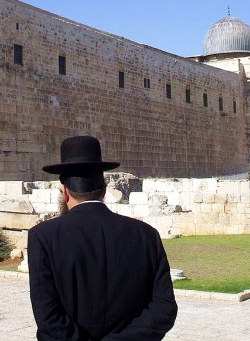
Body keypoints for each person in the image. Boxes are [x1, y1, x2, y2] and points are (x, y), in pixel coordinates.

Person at [28, 136, 178, 340]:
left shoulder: (43, 237)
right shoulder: (146, 236)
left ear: (64, 192)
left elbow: (48, 317)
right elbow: (163, 309)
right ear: (105, 189)